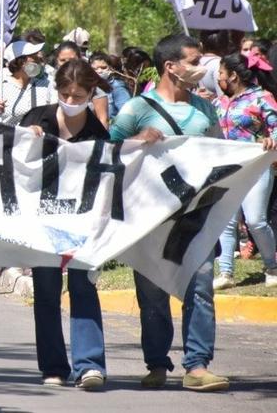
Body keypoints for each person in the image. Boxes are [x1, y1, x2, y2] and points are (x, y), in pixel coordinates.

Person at [109, 33, 228, 392]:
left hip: (195, 217)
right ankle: (157, 364)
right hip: (149, 219)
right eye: (194, 61)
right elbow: (107, 154)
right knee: (152, 295)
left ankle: (197, 365)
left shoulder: (205, 109)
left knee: (201, 287)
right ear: (170, 67)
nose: (200, 68)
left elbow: (224, 154)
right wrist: (134, 142)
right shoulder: (136, 109)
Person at [20, 59, 109, 390]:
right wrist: (25, 139)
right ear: (56, 91)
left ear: (90, 94)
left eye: (79, 95)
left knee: (83, 287)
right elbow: (11, 164)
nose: (71, 101)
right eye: (65, 94)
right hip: (41, 221)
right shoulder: (36, 119)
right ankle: (53, 367)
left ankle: (89, 365)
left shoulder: (96, 132)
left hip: (82, 222)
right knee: (46, 292)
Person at [213, 52, 277, 289]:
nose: (218, 77)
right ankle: (226, 273)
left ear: (233, 75)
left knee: (255, 220)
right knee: (227, 221)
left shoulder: (262, 97)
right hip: (228, 168)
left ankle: (272, 267)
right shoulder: (219, 102)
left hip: (257, 166)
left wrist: (272, 141)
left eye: (220, 73)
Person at [0, 39, 56, 126]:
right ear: (20, 62)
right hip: (11, 137)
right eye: (34, 59)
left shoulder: (45, 84)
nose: (39, 62)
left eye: (38, 59)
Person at [54, 42, 109, 127]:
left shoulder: (93, 89)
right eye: (62, 60)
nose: (66, 63)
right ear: (56, 60)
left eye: (77, 96)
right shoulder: (49, 83)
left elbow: (103, 120)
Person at [89, 52, 132, 120]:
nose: (99, 71)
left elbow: (127, 114)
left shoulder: (117, 86)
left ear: (111, 68)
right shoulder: (87, 87)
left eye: (103, 68)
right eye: (95, 69)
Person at [198, 30, 235, 99]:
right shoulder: (219, 64)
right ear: (226, 44)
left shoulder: (197, 62)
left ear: (201, 44)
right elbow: (223, 97)